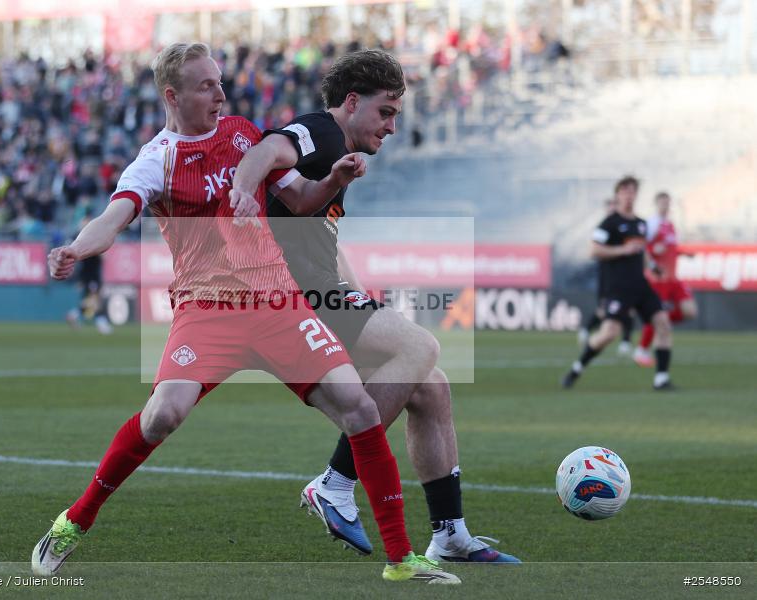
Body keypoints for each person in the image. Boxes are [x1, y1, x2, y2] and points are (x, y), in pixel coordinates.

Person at [30, 43, 458, 585]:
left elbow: (302, 199)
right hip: (208, 309)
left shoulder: (240, 133)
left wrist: (335, 180)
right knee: (163, 415)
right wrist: (76, 248)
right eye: (206, 85)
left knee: (360, 407)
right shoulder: (155, 160)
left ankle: (401, 559)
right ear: (173, 96)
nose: (221, 93)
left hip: (277, 303)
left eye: (220, 82)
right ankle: (75, 519)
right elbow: (112, 219)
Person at [232, 49, 519, 563]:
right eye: (385, 112)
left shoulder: (335, 155)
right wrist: (241, 189)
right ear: (351, 102)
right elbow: (266, 148)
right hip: (294, 297)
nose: (391, 126)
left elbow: (324, 238)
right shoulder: (320, 131)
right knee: (421, 347)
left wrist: (361, 296)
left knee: (430, 387)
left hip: (316, 290)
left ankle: (450, 535)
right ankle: (335, 484)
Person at [562, 176, 675, 391]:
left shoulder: (641, 224)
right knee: (609, 333)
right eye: (625, 191)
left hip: (640, 285)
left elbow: (641, 251)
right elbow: (593, 250)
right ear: (618, 195)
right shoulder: (609, 223)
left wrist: (652, 266)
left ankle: (661, 379)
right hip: (619, 287)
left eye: (633, 191)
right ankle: (577, 367)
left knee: (663, 323)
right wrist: (622, 249)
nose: (629, 195)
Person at [633, 191, 698, 367]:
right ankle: (641, 349)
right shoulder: (651, 224)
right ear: (656, 204)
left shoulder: (670, 224)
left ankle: (661, 324)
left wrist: (684, 253)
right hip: (657, 278)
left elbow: (670, 248)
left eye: (668, 202)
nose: (666, 205)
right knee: (657, 314)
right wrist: (653, 252)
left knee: (689, 311)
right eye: (662, 202)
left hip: (672, 277)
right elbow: (642, 248)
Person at [578, 197, 634, 354]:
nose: (612, 209)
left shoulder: (626, 225)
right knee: (603, 310)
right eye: (610, 206)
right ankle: (587, 330)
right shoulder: (604, 227)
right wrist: (620, 251)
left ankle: (625, 341)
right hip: (609, 277)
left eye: (615, 205)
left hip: (626, 276)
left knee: (628, 309)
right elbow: (594, 250)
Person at [65, 211, 113, 335]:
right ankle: (99, 322)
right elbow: (101, 256)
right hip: (90, 274)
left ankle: (75, 315)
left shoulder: (83, 238)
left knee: (92, 299)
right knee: (94, 298)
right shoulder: (88, 239)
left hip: (89, 273)